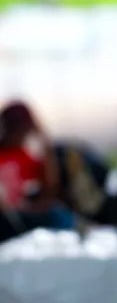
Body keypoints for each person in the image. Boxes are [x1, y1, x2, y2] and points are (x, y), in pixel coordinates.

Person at [0, 101, 74, 238]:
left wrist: (44, 141)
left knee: (58, 212)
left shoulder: (23, 156)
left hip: (20, 216)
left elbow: (50, 187)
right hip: (6, 218)